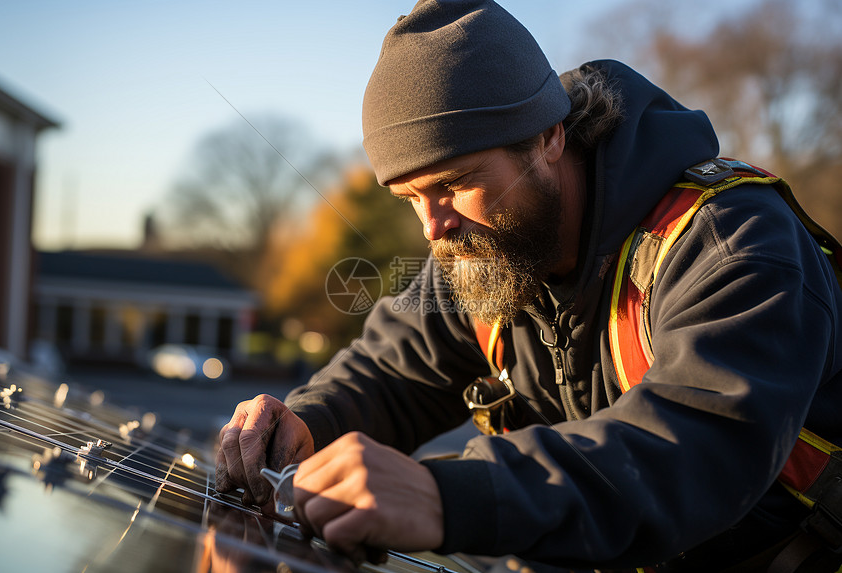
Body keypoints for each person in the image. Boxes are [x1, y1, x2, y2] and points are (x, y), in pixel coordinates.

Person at [215, 0, 842, 570]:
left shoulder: (732, 243)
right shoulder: (484, 251)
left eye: (453, 184)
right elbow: (390, 370)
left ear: (549, 138)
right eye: (411, 198)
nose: (433, 228)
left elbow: (696, 450)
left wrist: (447, 497)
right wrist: (306, 420)